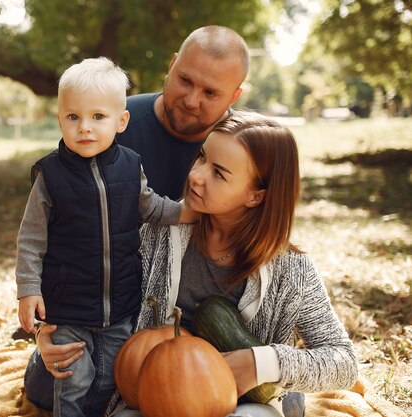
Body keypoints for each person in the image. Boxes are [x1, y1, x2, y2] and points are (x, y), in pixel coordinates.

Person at [25, 111, 359, 417]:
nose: (196, 176)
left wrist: (262, 362)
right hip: (152, 392)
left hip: (240, 401)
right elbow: (84, 281)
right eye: (201, 157)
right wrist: (45, 333)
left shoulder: (291, 268)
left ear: (256, 195)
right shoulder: (154, 232)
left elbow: (343, 362)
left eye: (219, 173)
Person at [15, 57, 196, 417]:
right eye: (73, 117)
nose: (85, 127)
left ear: (121, 121)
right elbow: (31, 239)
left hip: (121, 303)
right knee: (74, 377)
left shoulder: (130, 165)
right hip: (67, 306)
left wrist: (189, 212)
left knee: (112, 377)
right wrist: (28, 290)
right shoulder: (49, 175)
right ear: (60, 119)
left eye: (98, 117)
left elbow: (152, 207)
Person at [116, 25, 249, 200]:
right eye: (185, 80)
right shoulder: (115, 122)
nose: (191, 102)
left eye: (210, 93)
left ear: (234, 97)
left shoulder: (246, 150)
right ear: (172, 66)